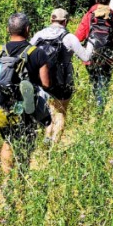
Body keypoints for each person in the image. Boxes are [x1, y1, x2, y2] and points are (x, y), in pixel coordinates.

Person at [0, 12, 51, 174]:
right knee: (27, 143)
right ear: (28, 29)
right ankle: (22, 176)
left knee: (8, 142)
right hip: (26, 110)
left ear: (8, 29)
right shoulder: (36, 52)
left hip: (1, 107)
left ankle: (8, 179)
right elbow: (46, 83)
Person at [30, 8, 94, 145]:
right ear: (65, 21)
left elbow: (27, 53)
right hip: (63, 81)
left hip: (43, 80)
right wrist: (92, 43)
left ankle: (47, 137)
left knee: (50, 108)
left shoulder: (39, 35)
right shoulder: (69, 37)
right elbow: (86, 56)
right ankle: (54, 145)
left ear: (51, 20)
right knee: (61, 112)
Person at [75, 0, 113, 109]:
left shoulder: (89, 16)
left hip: (91, 56)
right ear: (108, 0)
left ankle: (97, 105)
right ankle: (101, 107)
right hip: (108, 57)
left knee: (94, 81)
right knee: (104, 82)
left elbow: (79, 37)